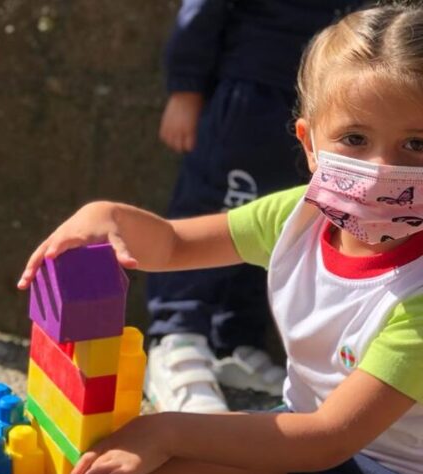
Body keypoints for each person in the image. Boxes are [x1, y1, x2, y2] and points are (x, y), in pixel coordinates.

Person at [0, 4, 423, 474]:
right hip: (290, 457)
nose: (380, 171)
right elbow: (174, 246)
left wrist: (166, 427)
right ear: (308, 143)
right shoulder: (297, 218)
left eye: (415, 145)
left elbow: (330, 436)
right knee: (154, 468)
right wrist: (109, 215)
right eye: (354, 138)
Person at [146, 0, 362, 414]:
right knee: (217, 212)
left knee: (280, 229)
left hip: (324, 104)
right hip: (250, 94)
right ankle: (177, 338)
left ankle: (234, 341)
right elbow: (203, 12)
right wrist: (186, 88)